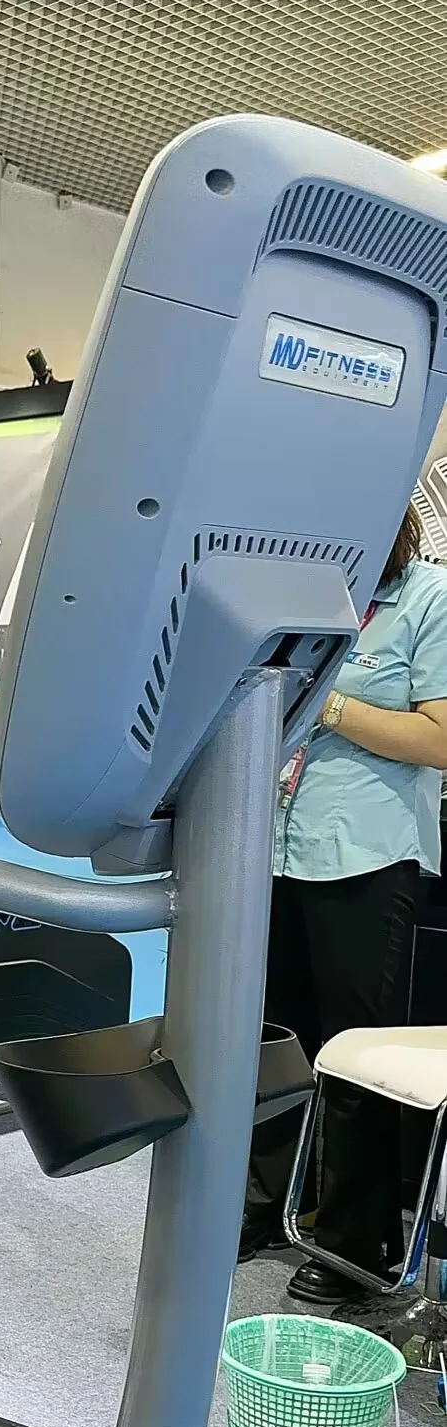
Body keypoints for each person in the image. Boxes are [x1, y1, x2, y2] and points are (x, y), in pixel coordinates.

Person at [241, 501, 447, 1303]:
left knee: (357, 1054)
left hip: (367, 855)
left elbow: (439, 738)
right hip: (276, 847)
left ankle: (356, 1239)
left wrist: (326, 702)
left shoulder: (427, 597)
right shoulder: (303, 601)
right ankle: (266, 1204)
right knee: (273, 1040)